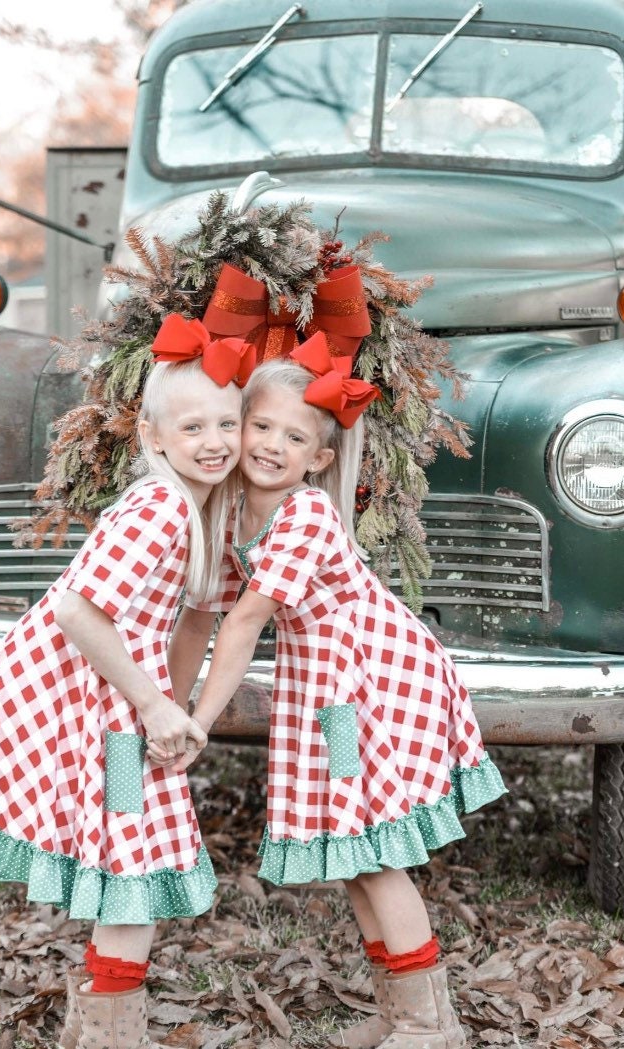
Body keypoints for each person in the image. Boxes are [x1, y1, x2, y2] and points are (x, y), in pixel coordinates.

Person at [0, 314, 253, 1049]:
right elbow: (76, 610)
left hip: (113, 703)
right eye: (192, 426)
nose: (214, 441)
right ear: (155, 438)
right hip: (64, 695)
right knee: (134, 852)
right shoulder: (160, 504)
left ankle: (99, 1025)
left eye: (226, 422)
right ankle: (108, 1033)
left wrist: (182, 712)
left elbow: (198, 622)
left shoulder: (207, 513)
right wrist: (154, 701)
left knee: (131, 850)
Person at [174, 335, 507, 1049]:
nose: (269, 444)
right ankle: (397, 1008)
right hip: (325, 689)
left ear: (318, 459)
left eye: (293, 436)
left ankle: (430, 1021)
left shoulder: (305, 515)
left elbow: (243, 622)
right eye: (259, 425)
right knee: (349, 848)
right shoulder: (235, 514)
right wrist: (167, 700)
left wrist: (198, 717)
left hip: (372, 686)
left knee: (374, 848)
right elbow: (203, 612)